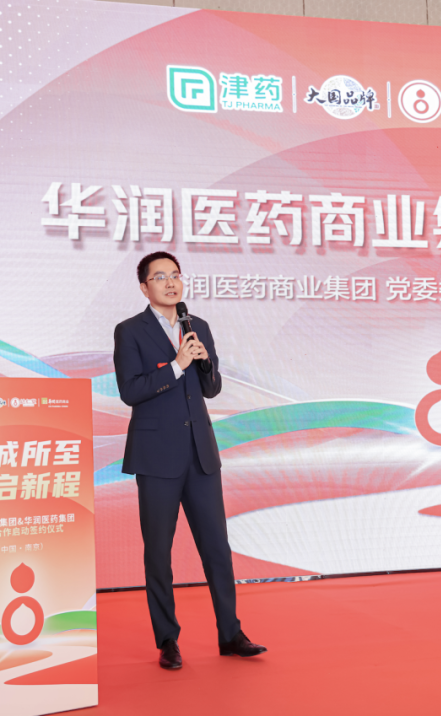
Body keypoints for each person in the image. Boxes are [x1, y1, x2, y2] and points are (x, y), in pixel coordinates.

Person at [112, 251, 267, 670]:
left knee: (217, 549)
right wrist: (177, 365)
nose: (170, 282)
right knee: (158, 553)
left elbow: (211, 389)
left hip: (201, 456)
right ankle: (167, 639)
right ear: (144, 287)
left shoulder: (197, 326)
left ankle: (231, 634)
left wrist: (203, 363)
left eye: (176, 275)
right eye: (160, 276)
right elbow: (131, 391)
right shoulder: (130, 331)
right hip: (156, 458)